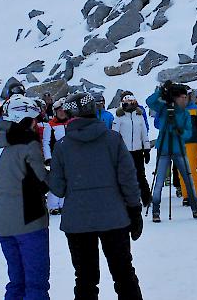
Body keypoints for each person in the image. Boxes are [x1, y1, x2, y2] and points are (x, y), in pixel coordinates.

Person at [49, 92, 144, 300]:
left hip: (78, 221)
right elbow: (128, 179)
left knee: (85, 279)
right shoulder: (113, 139)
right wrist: (135, 209)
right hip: (114, 217)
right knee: (124, 274)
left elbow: (57, 188)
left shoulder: (63, 146)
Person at [0, 95, 50, 300]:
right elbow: (42, 180)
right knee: (36, 283)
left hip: (1, 221)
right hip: (29, 220)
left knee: (16, 281)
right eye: (34, 120)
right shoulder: (28, 146)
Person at [146, 82, 197, 222]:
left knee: (188, 179)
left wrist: (180, 132)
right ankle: (156, 211)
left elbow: (188, 133)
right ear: (175, 98)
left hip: (179, 148)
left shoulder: (185, 113)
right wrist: (161, 91)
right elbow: (150, 102)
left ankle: (195, 209)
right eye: (182, 97)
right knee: (159, 181)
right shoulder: (163, 108)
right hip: (164, 149)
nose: (185, 100)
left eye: (186, 97)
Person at [113, 94, 152, 207]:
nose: (131, 105)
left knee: (140, 175)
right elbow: (115, 135)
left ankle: (146, 198)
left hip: (138, 151)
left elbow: (144, 133)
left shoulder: (139, 115)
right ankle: (126, 199)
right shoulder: (119, 117)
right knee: (125, 175)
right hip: (124, 152)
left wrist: (147, 149)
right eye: (128, 103)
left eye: (133, 102)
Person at [43, 98, 67, 215]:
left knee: (67, 180)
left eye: (64, 110)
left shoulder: (71, 123)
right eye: (59, 110)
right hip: (55, 158)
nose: (62, 112)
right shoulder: (50, 125)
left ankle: (64, 203)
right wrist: (48, 158)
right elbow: (46, 142)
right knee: (55, 181)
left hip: (69, 158)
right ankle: (53, 205)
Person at [178, 89, 197, 206]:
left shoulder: (195, 109)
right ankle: (186, 195)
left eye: (185, 96)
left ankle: (194, 195)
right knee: (181, 171)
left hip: (192, 142)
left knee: (191, 169)